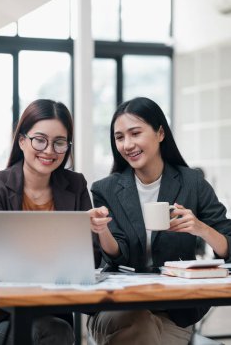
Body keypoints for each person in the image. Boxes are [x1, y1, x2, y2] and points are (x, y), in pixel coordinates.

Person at [88, 96, 231, 345]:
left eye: (135, 133)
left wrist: (201, 228)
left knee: (144, 333)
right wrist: (102, 231)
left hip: (173, 313)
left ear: (160, 133)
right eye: (119, 137)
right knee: (139, 325)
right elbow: (116, 254)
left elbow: (228, 243)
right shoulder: (105, 189)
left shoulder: (192, 183)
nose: (127, 144)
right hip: (117, 308)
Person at [0, 99, 106, 345]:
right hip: (0, 313)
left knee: (55, 330)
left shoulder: (75, 184)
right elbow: (1, 257)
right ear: (22, 140)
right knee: (53, 332)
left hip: (53, 309)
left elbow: (92, 256)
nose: (49, 150)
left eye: (59, 142)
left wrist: (90, 232)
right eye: (40, 139)